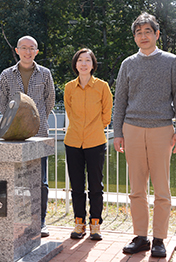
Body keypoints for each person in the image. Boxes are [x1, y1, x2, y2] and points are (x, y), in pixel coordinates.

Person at [113, 13, 176, 258]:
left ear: (157, 34)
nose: (143, 36)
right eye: (138, 32)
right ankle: (141, 236)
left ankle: (159, 238)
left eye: (147, 31)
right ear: (134, 37)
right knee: (136, 188)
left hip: (162, 129)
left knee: (161, 189)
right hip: (132, 129)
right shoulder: (128, 64)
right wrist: (117, 133)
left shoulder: (171, 61)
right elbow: (120, 102)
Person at [0, 35, 55, 237]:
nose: (28, 51)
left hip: (39, 135)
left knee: (41, 181)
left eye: (32, 48)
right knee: (15, 179)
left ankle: (40, 221)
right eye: (24, 48)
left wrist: (35, 123)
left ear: (37, 51)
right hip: (13, 137)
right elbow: (2, 103)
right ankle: (16, 220)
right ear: (17, 50)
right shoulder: (6, 74)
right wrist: (15, 125)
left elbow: (49, 101)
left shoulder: (45, 74)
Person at [64, 48, 112, 241]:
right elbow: (69, 111)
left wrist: (93, 129)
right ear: (76, 64)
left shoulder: (102, 86)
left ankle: (95, 224)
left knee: (95, 186)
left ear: (93, 65)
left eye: (87, 60)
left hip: (95, 142)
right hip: (73, 141)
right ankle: (79, 222)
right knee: (76, 185)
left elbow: (106, 114)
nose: (83, 64)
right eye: (80, 60)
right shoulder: (69, 87)